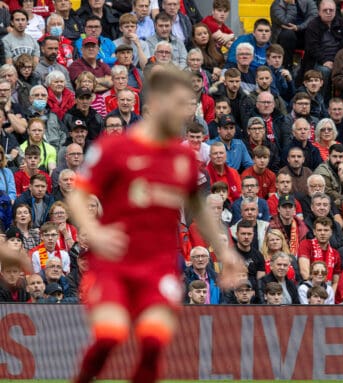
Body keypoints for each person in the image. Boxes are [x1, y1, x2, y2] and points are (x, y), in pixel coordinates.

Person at [69, 69, 243, 383]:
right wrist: (93, 231)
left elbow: (198, 206)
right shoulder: (115, 148)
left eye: (189, 104)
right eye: (180, 104)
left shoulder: (183, 158)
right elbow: (79, 194)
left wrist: (224, 251)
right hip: (114, 262)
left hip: (159, 265)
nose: (186, 112)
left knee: (153, 341)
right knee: (111, 334)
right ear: (159, 102)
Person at [302, 0, 343, 103]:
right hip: (318, 61)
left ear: (335, 11)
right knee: (325, 71)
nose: (328, 12)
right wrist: (325, 61)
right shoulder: (313, 25)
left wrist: (336, 61)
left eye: (331, 10)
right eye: (325, 10)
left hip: (338, 60)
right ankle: (322, 102)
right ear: (319, 12)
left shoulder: (342, 24)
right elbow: (312, 48)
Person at [269, 0, 317, 69]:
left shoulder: (308, 1)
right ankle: (287, 67)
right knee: (288, 34)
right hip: (284, 38)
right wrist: (292, 4)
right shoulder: (277, 4)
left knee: (313, 33)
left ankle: (309, 68)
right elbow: (287, 22)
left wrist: (299, 27)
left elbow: (314, 16)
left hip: (303, 34)